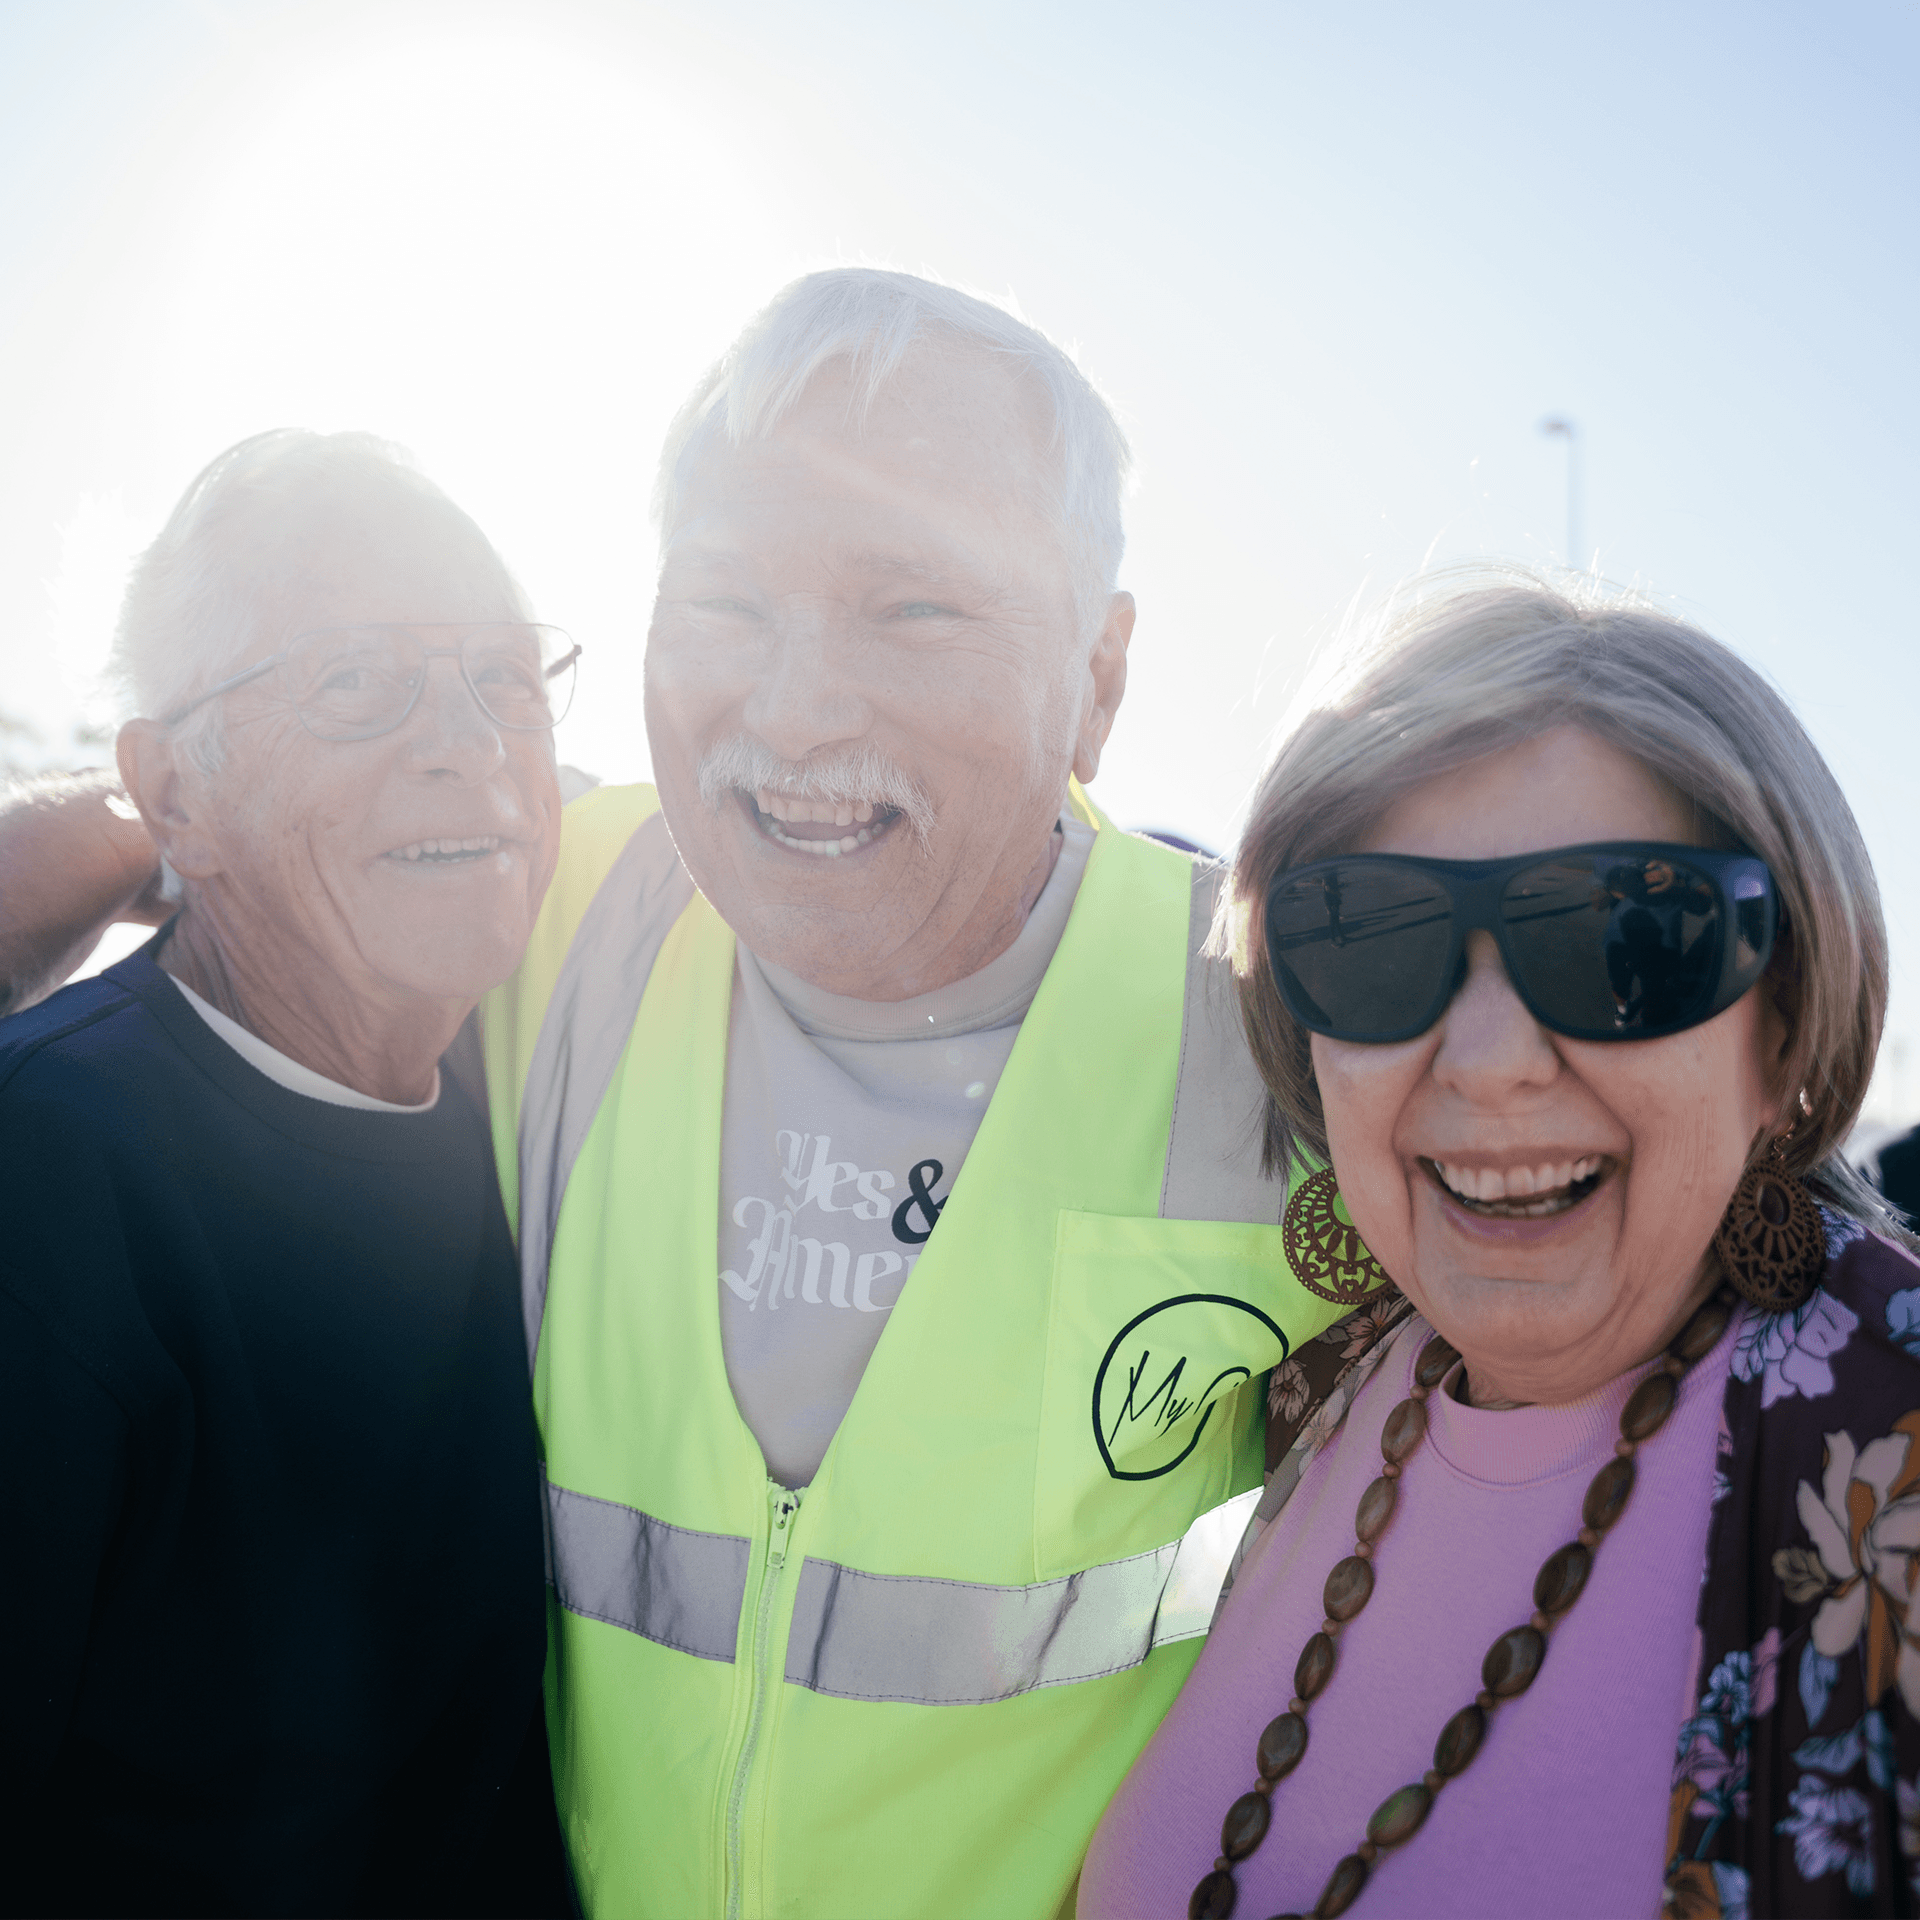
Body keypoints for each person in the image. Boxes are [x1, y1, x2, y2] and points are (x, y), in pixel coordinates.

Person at [0, 273, 1364, 1918]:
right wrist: (155, 832)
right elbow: (304, 844)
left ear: (1099, 671)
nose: (793, 710)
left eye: (913, 608)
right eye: (726, 606)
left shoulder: (1289, 1031)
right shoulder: (562, 913)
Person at [1078, 577, 1920, 1919]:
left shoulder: (1896, 1442)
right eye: (1367, 940)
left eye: (1625, 941)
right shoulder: (1307, 1378)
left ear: (1788, 1027)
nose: (1487, 1062)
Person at [0, 430, 571, 1916]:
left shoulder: (545, 1099)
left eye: (504, 676)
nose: (470, 740)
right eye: (357, 680)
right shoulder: (49, 1182)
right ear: (178, 794)